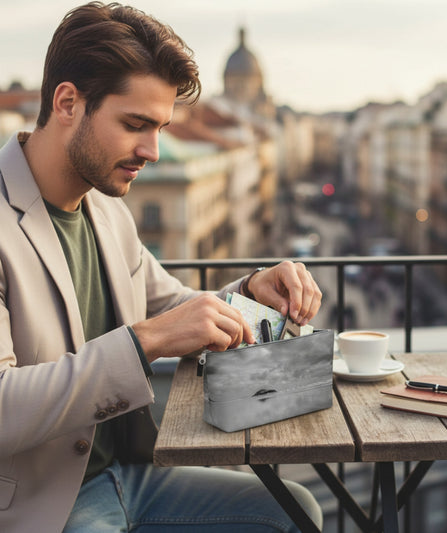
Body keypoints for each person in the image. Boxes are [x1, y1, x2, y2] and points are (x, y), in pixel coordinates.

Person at [0, 3, 323, 532]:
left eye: (161, 128)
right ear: (66, 103)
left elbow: (174, 310)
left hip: (128, 474)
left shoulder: (106, 208)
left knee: (296, 513)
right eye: (135, 124)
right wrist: (144, 341)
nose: (151, 150)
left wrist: (251, 291)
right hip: (46, 503)